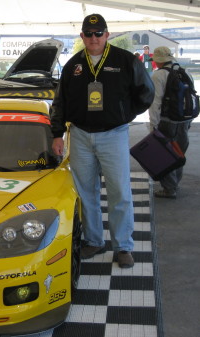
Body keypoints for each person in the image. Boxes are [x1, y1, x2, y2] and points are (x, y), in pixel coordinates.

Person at [50, 14, 155, 268]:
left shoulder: (125, 60)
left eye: (99, 33)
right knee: (86, 193)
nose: (94, 38)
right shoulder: (74, 64)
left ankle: (123, 246)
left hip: (113, 134)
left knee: (120, 192)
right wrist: (56, 133)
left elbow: (146, 93)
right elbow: (60, 101)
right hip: (80, 135)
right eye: (89, 33)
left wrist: (124, 114)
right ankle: (94, 241)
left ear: (107, 35)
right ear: (82, 36)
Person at [148, 46, 192, 199]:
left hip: (168, 121)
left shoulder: (158, 75)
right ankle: (175, 184)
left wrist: (153, 125)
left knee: (165, 154)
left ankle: (169, 189)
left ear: (158, 61)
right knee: (179, 153)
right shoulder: (184, 72)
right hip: (184, 120)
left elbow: (155, 102)